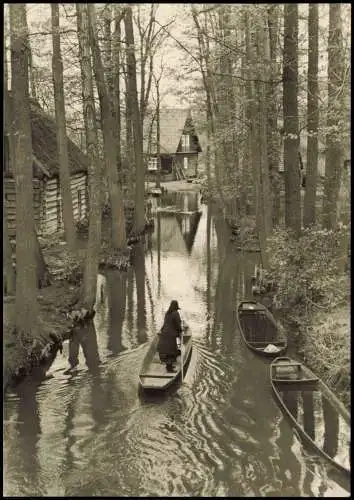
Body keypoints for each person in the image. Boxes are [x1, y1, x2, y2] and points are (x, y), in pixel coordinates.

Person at [157, 300, 182, 372]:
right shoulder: (176, 313)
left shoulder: (167, 313)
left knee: (168, 350)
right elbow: (178, 325)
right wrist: (180, 331)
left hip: (164, 333)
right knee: (171, 351)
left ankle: (169, 366)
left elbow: (165, 324)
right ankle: (170, 369)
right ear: (176, 307)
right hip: (171, 335)